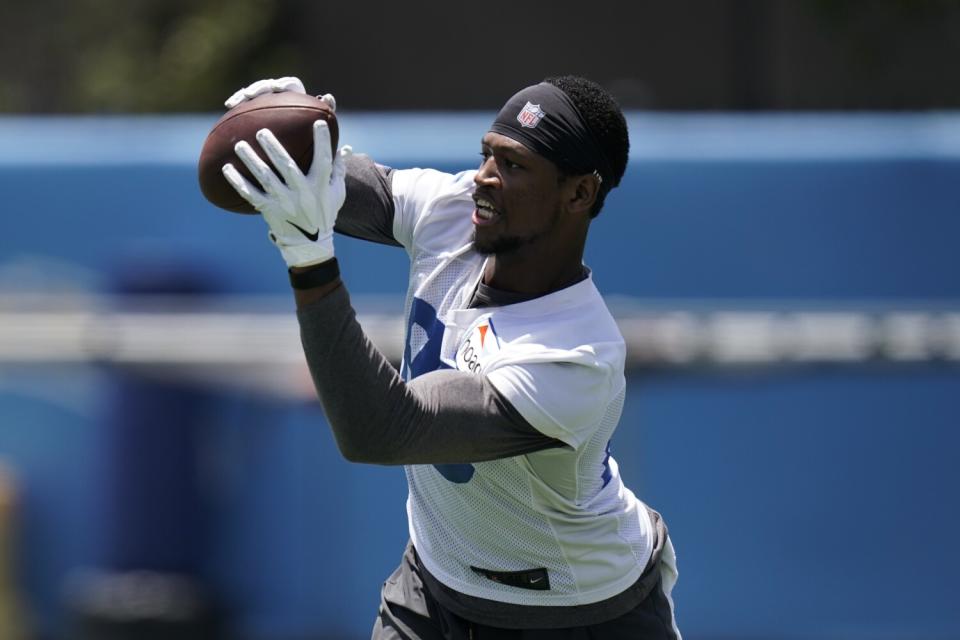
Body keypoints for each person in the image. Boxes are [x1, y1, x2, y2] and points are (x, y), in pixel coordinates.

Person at [221, 75, 681, 639]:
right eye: (486, 155)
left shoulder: (574, 355)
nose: (485, 178)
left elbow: (380, 432)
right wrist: (294, 137)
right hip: (432, 582)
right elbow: (331, 185)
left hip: (572, 611)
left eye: (513, 166)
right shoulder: (451, 210)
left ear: (579, 193)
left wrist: (310, 262)